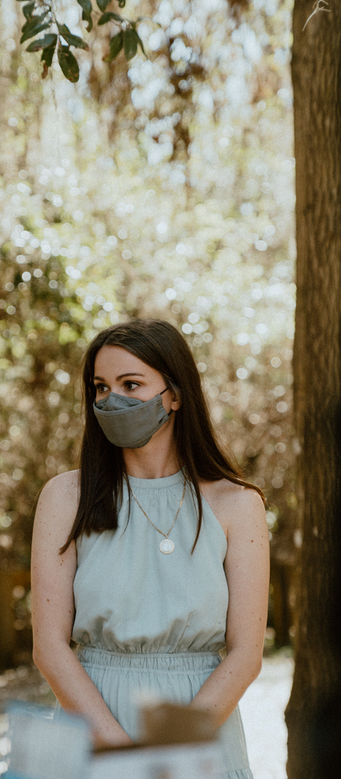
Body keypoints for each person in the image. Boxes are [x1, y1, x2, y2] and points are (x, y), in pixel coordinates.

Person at [31, 318, 269, 778]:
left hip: (200, 728)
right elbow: (50, 648)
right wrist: (123, 755)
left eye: (131, 383)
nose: (111, 399)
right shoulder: (65, 498)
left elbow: (246, 655)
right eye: (100, 387)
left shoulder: (238, 505)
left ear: (175, 396)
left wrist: (167, 756)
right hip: (91, 722)